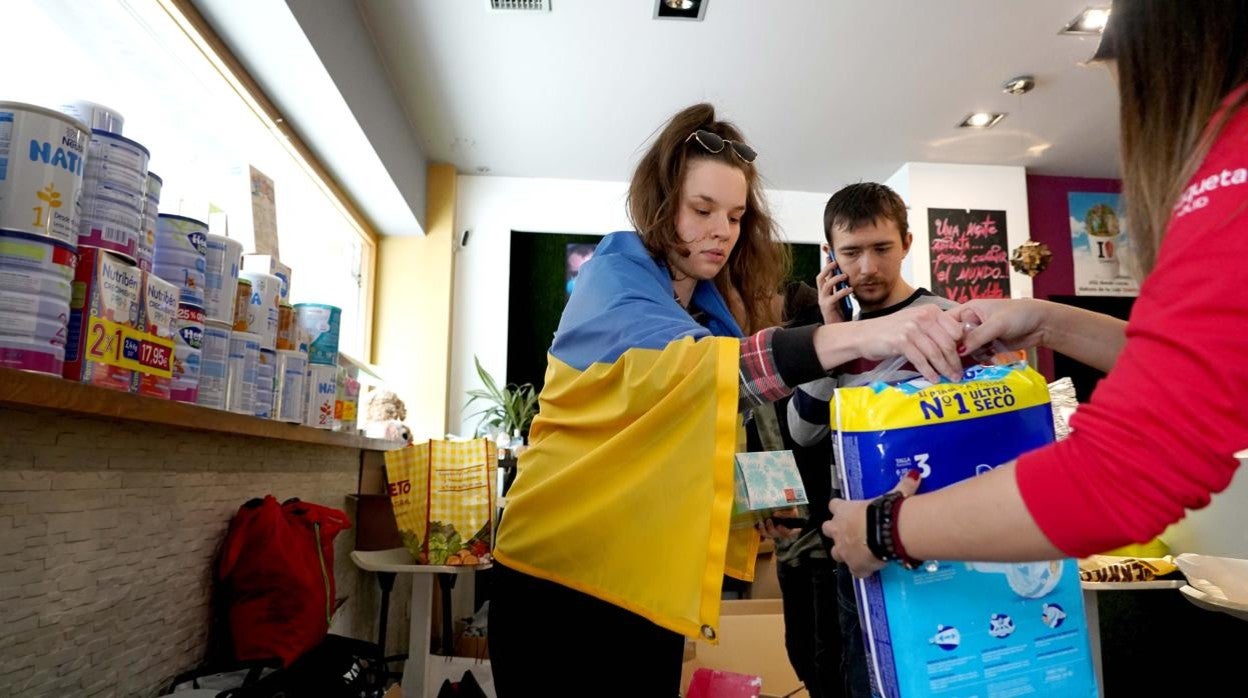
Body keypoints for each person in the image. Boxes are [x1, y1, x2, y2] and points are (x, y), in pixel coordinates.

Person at [487, 103, 966, 696]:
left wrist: (763, 510)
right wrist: (863, 333)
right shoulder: (613, 279)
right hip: (558, 573)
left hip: (641, 578)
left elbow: (708, 424)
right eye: (702, 209)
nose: (722, 231)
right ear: (660, 204)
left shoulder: (707, 308)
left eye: (736, 216)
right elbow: (716, 376)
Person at [824, 0, 1248, 581]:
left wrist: (883, 528)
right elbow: (1213, 372)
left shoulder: (1232, 174)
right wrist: (1046, 320)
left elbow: (1127, 468)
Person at [784, 183, 956, 698]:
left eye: (881, 248)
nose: (866, 268)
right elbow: (802, 429)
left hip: (936, 532)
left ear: (906, 242)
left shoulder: (944, 317)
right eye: (851, 253)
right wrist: (831, 335)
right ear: (830, 259)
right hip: (856, 544)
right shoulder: (834, 335)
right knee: (866, 678)